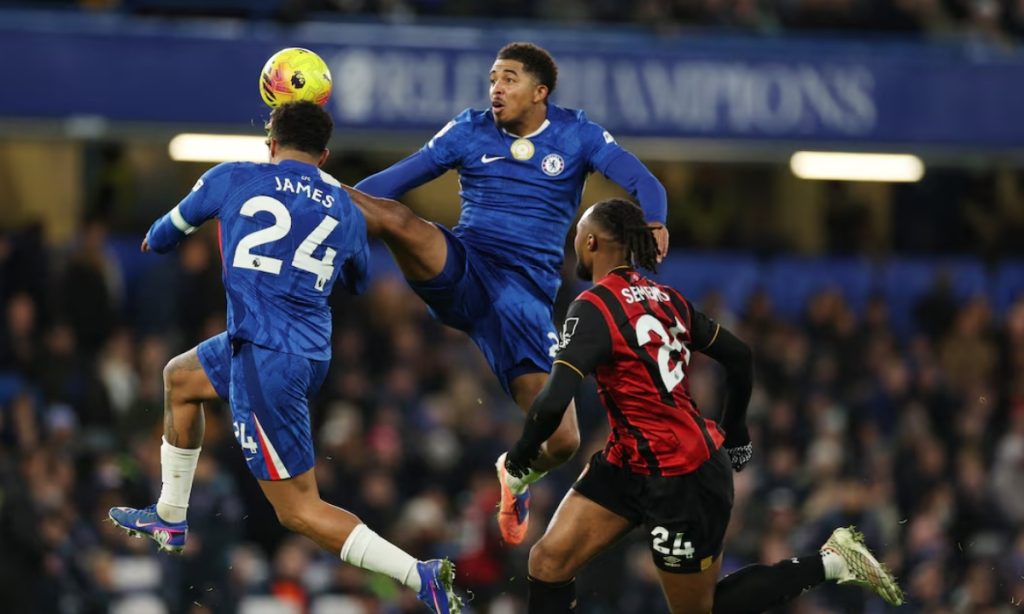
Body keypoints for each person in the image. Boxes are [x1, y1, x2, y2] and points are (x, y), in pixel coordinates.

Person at [108, 101, 461, 614]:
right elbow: (360, 279)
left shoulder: (233, 177)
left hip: (265, 357)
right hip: (302, 350)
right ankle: (170, 513)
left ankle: (418, 574)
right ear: (325, 154)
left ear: (270, 142)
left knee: (298, 511)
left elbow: (160, 238)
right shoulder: (344, 204)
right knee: (181, 378)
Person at [501, 198, 904, 613]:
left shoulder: (593, 305)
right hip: (629, 460)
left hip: (682, 475)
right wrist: (737, 432)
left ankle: (833, 562)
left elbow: (551, 404)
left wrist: (516, 464)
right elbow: (740, 356)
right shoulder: (666, 298)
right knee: (548, 561)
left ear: (589, 242)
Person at [347, 41, 669, 545]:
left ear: (540, 91)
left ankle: (516, 475)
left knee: (563, 440)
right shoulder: (468, 129)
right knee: (399, 220)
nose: (496, 88)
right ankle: (313, 202)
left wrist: (654, 221)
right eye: (493, 78)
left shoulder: (577, 134)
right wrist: (332, 202)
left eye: (510, 78)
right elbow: (390, 182)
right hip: (467, 267)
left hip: (524, 301)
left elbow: (643, 179)